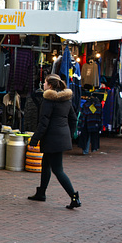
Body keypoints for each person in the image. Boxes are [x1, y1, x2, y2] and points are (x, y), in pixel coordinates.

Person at [28, 74, 81, 209]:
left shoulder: (48, 101)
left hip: (52, 138)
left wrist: (34, 140)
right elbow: (73, 119)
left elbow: (43, 123)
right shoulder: (66, 100)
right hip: (61, 136)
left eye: (45, 83)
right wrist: (68, 134)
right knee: (45, 164)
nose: (43, 85)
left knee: (58, 170)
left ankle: (74, 197)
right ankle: (41, 193)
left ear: (50, 86)